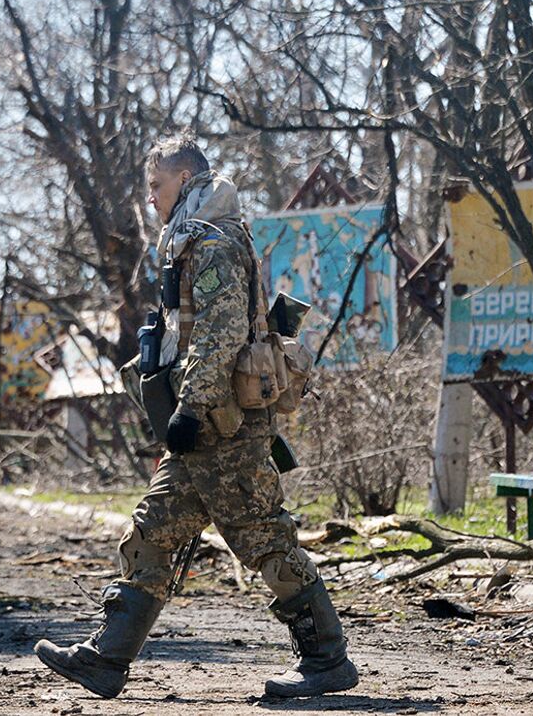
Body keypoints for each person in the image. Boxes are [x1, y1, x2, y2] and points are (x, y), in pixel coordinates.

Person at [34, 134, 359, 700]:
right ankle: (107, 659)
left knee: (261, 536)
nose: (151, 200)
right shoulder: (188, 238)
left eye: (156, 187)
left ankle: (326, 659)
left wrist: (188, 408)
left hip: (224, 423)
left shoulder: (211, 242)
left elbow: (221, 335)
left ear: (184, 180)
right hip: (206, 420)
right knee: (153, 530)